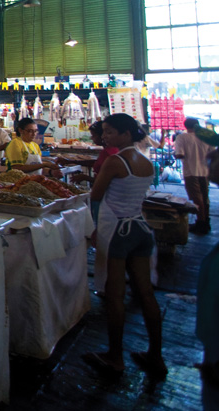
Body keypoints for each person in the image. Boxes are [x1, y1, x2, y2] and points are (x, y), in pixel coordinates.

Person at [83, 113, 166, 380]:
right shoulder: (145, 161)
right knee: (146, 294)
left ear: (126, 134)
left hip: (119, 231)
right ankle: (155, 354)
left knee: (114, 295)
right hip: (141, 229)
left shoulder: (116, 162)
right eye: (104, 132)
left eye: (109, 132)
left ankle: (115, 357)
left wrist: (92, 228)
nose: (105, 136)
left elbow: (95, 196)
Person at [174, 117, 213, 234]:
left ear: (185, 126)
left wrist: (177, 154)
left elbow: (179, 154)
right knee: (205, 197)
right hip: (205, 171)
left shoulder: (182, 137)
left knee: (197, 198)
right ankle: (205, 221)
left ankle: (200, 223)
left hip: (191, 171)